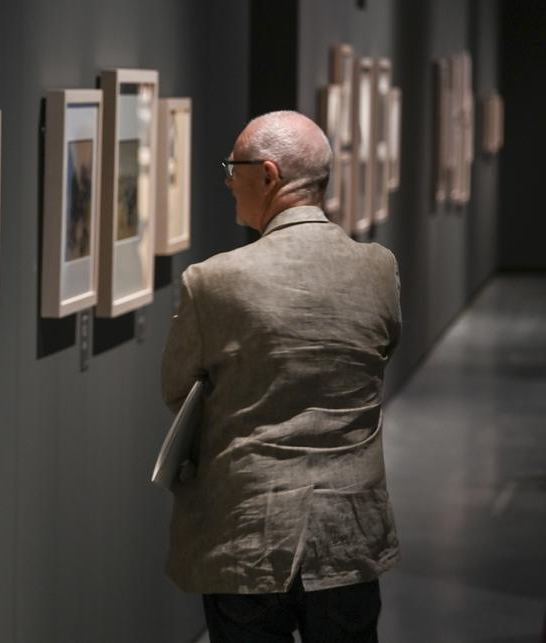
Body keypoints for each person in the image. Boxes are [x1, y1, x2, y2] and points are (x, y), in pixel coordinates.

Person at [160, 110, 402, 642]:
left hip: (246, 533)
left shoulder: (212, 281)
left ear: (268, 175)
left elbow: (177, 388)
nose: (228, 181)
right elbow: (381, 353)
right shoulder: (379, 267)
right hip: (349, 532)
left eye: (233, 167)